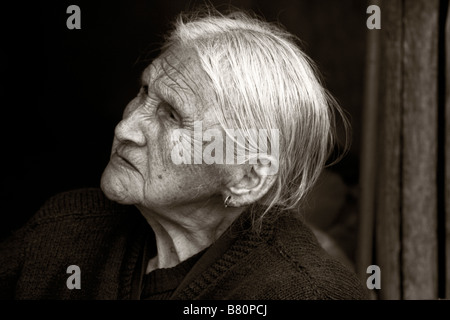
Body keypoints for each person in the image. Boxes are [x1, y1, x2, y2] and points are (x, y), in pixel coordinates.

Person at [0, 10, 368, 300]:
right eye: (145, 92)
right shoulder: (65, 231)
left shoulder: (302, 292)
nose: (125, 128)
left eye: (172, 115)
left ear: (247, 178)